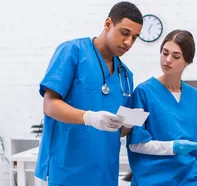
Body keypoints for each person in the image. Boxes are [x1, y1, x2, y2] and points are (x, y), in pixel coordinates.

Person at [35, 2, 143, 186]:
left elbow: (119, 131)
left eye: (135, 37)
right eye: (125, 33)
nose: (128, 42)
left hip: (105, 173)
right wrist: (88, 117)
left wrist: (129, 124)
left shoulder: (125, 75)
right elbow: (50, 105)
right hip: (67, 170)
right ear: (108, 24)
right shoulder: (73, 51)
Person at [125, 29, 197, 185]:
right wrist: (173, 146)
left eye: (176, 56)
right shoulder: (143, 92)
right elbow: (135, 144)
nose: (167, 60)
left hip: (189, 176)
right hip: (152, 177)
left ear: (187, 61)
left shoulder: (195, 97)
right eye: (164, 53)